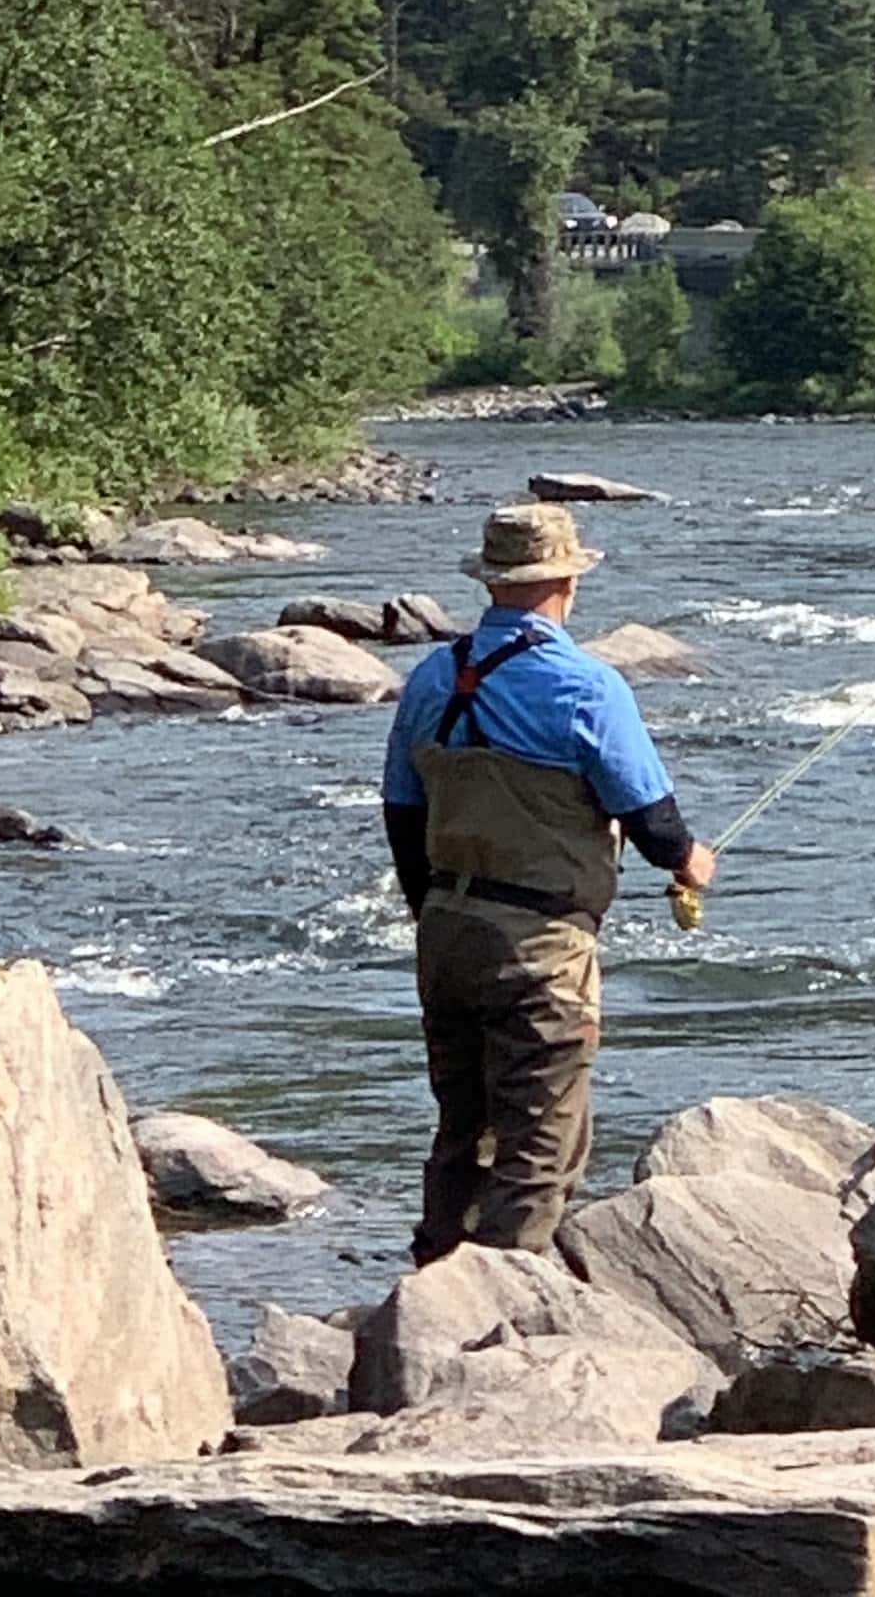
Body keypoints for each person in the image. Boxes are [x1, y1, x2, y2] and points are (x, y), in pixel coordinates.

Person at [379, 498, 717, 1258]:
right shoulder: (586, 685)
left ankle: (434, 1276)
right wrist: (690, 862)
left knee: (463, 1125)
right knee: (540, 1139)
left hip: (444, 928)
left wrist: (430, 910)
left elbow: (402, 812)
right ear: (566, 582)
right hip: (539, 943)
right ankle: (503, 1305)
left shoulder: (431, 677)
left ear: (492, 583)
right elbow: (651, 818)